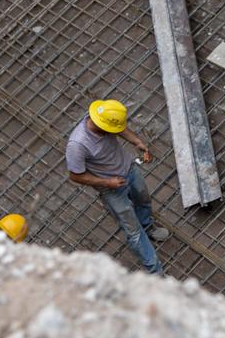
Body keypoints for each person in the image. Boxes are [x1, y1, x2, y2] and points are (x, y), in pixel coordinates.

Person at [65, 99, 170, 274]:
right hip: (111, 188)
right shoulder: (78, 145)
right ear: (101, 125)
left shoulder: (103, 117)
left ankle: (148, 227)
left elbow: (119, 127)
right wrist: (107, 182)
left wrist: (137, 142)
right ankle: (154, 271)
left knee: (143, 201)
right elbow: (75, 175)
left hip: (129, 169)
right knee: (133, 231)